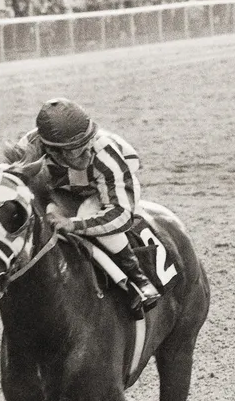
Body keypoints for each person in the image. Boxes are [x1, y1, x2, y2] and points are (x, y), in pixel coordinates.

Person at [17, 98, 162, 311]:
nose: (87, 151)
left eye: (87, 141)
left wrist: (73, 224)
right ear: (53, 150)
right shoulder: (28, 151)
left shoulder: (105, 153)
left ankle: (138, 280)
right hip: (61, 188)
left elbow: (120, 215)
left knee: (87, 211)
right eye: (76, 149)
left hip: (104, 187)